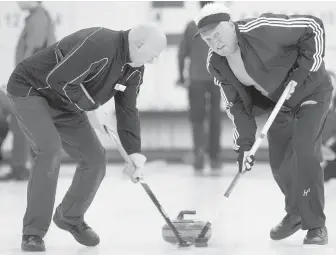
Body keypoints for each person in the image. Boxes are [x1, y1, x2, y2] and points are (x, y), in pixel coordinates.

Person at [6, 23, 167, 252]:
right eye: (153, 55)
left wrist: (134, 153)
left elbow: (127, 109)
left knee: (95, 159)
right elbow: (58, 79)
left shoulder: (135, 68)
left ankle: (70, 216)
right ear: (139, 44)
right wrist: (91, 108)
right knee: (49, 150)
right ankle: (33, 232)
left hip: (67, 101)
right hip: (32, 90)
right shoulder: (100, 43)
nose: (153, 60)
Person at [194, 3, 331, 245]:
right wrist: (244, 145)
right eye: (207, 39)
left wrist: (300, 75)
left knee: (304, 150)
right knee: (279, 162)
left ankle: (316, 225)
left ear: (231, 25)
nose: (214, 42)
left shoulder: (261, 29)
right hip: (278, 103)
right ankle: (296, 213)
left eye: (217, 34)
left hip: (310, 91)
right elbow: (236, 105)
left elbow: (313, 27)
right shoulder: (217, 63)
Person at [0, 1, 56, 181]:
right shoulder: (36, 17)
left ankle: (22, 169)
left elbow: (33, 50)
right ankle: (23, 168)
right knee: (23, 125)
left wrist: (20, 78)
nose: (18, 1)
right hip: (32, 80)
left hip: (30, 82)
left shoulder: (39, 17)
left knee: (21, 125)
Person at [177, 1, 223, 176]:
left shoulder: (191, 26)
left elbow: (182, 53)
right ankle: (215, 157)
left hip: (195, 79)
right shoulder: (221, 25)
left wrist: (181, 76)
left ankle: (198, 156)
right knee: (215, 117)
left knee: (197, 118)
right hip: (216, 78)